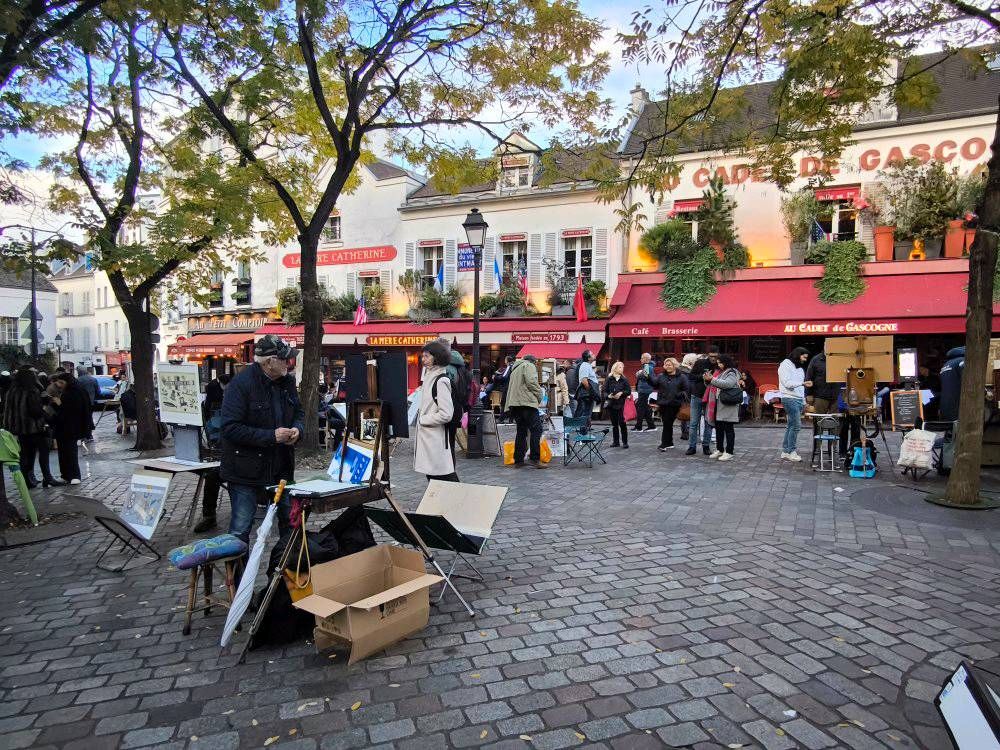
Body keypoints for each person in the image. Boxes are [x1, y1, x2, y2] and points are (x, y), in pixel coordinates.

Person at [219, 334, 304, 544]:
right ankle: (239, 576)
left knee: (290, 523)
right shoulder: (241, 385)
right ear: (269, 362)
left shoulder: (287, 382)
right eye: (284, 359)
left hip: (281, 469)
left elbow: (299, 413)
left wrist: (297, 429)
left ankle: (288, 574)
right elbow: (230, 428)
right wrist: (271, 436)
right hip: (245, 472)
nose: (288, 362)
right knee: (240, 530)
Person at [1, 367, 63, 488]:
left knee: (26, 454)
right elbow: (36, 411)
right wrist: (47, 413)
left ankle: (27, 479)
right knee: (44, 452)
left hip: (20, 429)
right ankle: (48, 478)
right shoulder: (31, 391)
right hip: (35, 427)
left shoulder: (11, 391)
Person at [414, 340, 459, 481]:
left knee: (442, 476)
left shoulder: (441, 380)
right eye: (422, 356)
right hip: (429, 437)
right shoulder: (429, 377)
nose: (423, 359)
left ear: (437, 357)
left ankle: (458, 501)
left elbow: (446, 414)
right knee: (433, 476)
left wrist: (423, 420)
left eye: (427, 356)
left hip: (435, 437)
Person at [506, 353, 548, 468]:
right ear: (533, 362)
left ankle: (518, 460)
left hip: (515, 404)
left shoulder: (515, 368)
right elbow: (531, 382)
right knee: (537, 429)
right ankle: (534, 458)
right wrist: (539, 395)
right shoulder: (528, 365)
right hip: (526, 403)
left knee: (521, 431)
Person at [49, 372, 91, 484]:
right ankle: (67, 475)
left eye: (61, 382)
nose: (59, 385)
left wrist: (58, 404)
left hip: (70, 427)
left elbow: (71, 411)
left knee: (70, 451)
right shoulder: (73, 390)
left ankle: (73, 475)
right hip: (65, 427)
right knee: (64, 452)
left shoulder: (74, 392)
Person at [705, 353, 742, 461]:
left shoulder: (732, 372)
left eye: (720, 363)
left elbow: (727, 384)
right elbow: (714, 384)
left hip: (728, 404)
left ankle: (729, 451)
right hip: (719, 403)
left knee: (728, 428)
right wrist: (707, 379)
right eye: (718, 363)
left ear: (726, 362)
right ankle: (719, 449)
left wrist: (712, 379)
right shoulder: (721, 372)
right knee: (719, 428)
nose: (719, 365)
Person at [778, 347, 812, 462]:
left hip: (798, 399)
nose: (805, 359)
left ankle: (785, 451)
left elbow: (801, 388)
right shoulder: (785, 365)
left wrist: (804, 401)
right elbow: (787, 383)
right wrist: (802, 383)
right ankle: (791, 451)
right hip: (789, 398)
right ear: (798, 355)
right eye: (804, 357)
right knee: (796, 425)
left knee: (791, 425)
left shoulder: (800, 369)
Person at [687, 346, 719, 456]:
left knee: (708, 423)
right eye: (711, 356)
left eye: (715, 357)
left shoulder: (719, 365)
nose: (713, 359)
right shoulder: (700, 362)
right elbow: (691, 376)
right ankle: (692, 447)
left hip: (711, 397)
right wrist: (703, 377)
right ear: (708, 354)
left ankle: (706, 446)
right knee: (693, 423)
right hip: (697, 395)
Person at [656, 358, 690, 451]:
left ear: (674, 365)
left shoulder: (682, 377)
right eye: (666, 365)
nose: (667, 366)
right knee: (667, 424)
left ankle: (664, 444)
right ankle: (669, 443)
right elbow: (654, 384)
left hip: (674, 403)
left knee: (667, 423)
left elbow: (687, 389)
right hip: (663, 403)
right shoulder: (661, 376)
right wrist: (647, 377)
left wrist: (678, 395)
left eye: (669, 364)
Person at [603, 361, 631, 448]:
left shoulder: (624, 379)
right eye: (620, 367)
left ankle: (625, 442)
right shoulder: (609, 379)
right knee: (614, 424)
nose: (622, 369)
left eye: (622, 367)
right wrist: (609, 395)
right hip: (612, 404)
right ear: (615, 368)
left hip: (621, 404)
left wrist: (621, 393)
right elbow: (604, 391)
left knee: (622, 423)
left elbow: (628, 391)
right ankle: (616, 442)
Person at [939, 346, 965, 421]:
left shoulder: (945, 365)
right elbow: (969, 382)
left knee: (950, 429)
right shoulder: (962, 362)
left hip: (945, 404)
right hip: (958, 404)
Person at [575, 350, 599, 427]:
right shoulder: (585, 365)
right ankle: (583, 433)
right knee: (585, 414)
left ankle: (585, 432)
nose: (594, 355)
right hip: (586, 394)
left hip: (587, 393)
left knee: (587, 413)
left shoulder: (587, 365)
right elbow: (584, 380)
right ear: (588, 358)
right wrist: (591, 391)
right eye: (592, 354)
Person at [634, 353, 657, 432]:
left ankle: (638, 427)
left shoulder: (647, 366)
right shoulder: (648, 366)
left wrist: (638, 374)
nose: (640, 360)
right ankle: (651, 426)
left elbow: (645, 376)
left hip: (644, 389)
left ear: (646, 359)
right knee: (645, 407)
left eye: (641, 358)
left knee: (640, 407)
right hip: (645, 389)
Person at [76, 366, 99, 440]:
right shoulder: (93, 379)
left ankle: (84, 435)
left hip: (81, 403)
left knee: (82, 418)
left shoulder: (77, 381)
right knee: (89, 417)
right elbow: (98, 391)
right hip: (91, 402)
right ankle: (89, 434)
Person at [679, 354, 698, 441]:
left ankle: (685, 432)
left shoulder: (682, 371)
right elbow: (688, 385)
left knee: (685, 414)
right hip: (687, 395)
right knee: (687, 413)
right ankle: (686, 432)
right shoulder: (686, 372)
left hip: (685, 395)